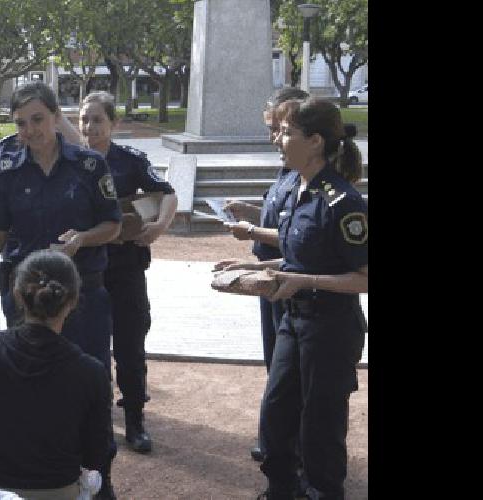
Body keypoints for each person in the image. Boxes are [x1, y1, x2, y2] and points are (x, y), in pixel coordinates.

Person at [0, 81, 120, 499]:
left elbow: (113, 225)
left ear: (55, 115)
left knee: (88, 383)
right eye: (21, 123)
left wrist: (81, 239)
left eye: (38, 120)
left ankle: (99, 481)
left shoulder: (88, 166)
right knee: (27, 391)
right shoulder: (7, 170)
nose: (29, 131)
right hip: (25, 299)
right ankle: (32, 480)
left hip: (82, 298)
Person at [214, 98, 367, 500]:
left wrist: (302, 280)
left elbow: (363, 278)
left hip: (331, 328)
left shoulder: (344, 202)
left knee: (320, 426)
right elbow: (301, 253)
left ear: (315, 141)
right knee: (277, 414)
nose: (278, 139)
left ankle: (322, 492)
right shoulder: (296, 189)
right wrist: (256, 270)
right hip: (293, 321)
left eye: (286, 132)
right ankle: (280, 488)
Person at [0, 250, 111, 499]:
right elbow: (96, 453)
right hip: (59, 491)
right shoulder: (90, 370)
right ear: (72, 301)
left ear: (17, 295)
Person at [79, 91, 178, 454]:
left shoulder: (130, 161)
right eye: (84, 120)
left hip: (126, 272)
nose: (89, 127)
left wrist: (158, 227)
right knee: (88, 350)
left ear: (113, 123)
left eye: (97, 120)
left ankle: (134, 420)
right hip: (86, 272)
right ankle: (95, 421)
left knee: (130, 349)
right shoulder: (72, 162)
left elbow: (166, 194)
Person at [222, 86, 310, 462]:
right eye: (271, 128)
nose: (273, 136)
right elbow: (283, 220)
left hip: (292, 284)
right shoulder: (286, 171)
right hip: (270, 279)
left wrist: (255, 232)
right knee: (276, 366)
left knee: (292, 374)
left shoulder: (310, 177)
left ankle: (292, 449)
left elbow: (299, 234)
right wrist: (252, 212)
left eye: (280, 128)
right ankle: (278, 441)